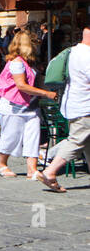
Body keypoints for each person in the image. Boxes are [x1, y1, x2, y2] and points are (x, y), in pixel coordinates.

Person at [0, 31, 57, 180]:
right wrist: (45, 93)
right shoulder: (16, 62)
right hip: (13, 106)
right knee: (11, 136)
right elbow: (21, 85)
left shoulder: (29, 63)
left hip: (30, 106)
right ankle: (2, 164)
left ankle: (32, 169)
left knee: (33, 136)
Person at [39, 26, 90, 192]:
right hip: (84, 106)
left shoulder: (72, 51)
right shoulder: (87, 55)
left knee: (86, 141)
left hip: (72, 104)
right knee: (76, 140)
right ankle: (50, 171)